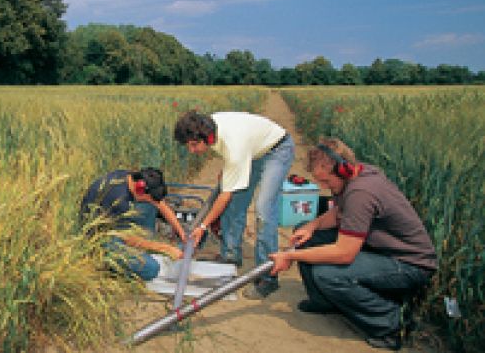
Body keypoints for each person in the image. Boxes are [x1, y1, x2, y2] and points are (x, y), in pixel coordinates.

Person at [268, 138, 437, 351]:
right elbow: (339, 212)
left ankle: (390, 325)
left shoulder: (361, 193)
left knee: (328, 274)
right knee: (305, 233)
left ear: (342, 169)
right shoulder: (356, 174)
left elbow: (344, 253)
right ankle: (325, 301)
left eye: (326, 181)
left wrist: (290, 256)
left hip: (408, 264)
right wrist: (312, 226)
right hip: (378, 248)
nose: (323, 187)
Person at [173, 110, 294, 298]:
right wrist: (229, 172)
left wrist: (203, 227)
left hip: (277, 149)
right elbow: (233, 157)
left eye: (194, 145)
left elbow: (225, 195)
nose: (192, 150)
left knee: (263, 209)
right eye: (188, 145)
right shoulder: (208, 126)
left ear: (208, 137)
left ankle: (268, 276)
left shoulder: (234, 146)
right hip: (251, 150)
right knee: (236, 202)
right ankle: (230, 256)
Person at [79, 168, 186, 281]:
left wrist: (181, 232)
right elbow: (127, 238)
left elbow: (159, 203)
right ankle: (108, 266)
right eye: (147, 198)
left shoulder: (131, 178)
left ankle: (142, 247)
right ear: (140, 188)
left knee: (150, 206)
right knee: (152, 269)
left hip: (115, 223)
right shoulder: (120, 201)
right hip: (101, 238)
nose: (151, 201)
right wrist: (166, 249)